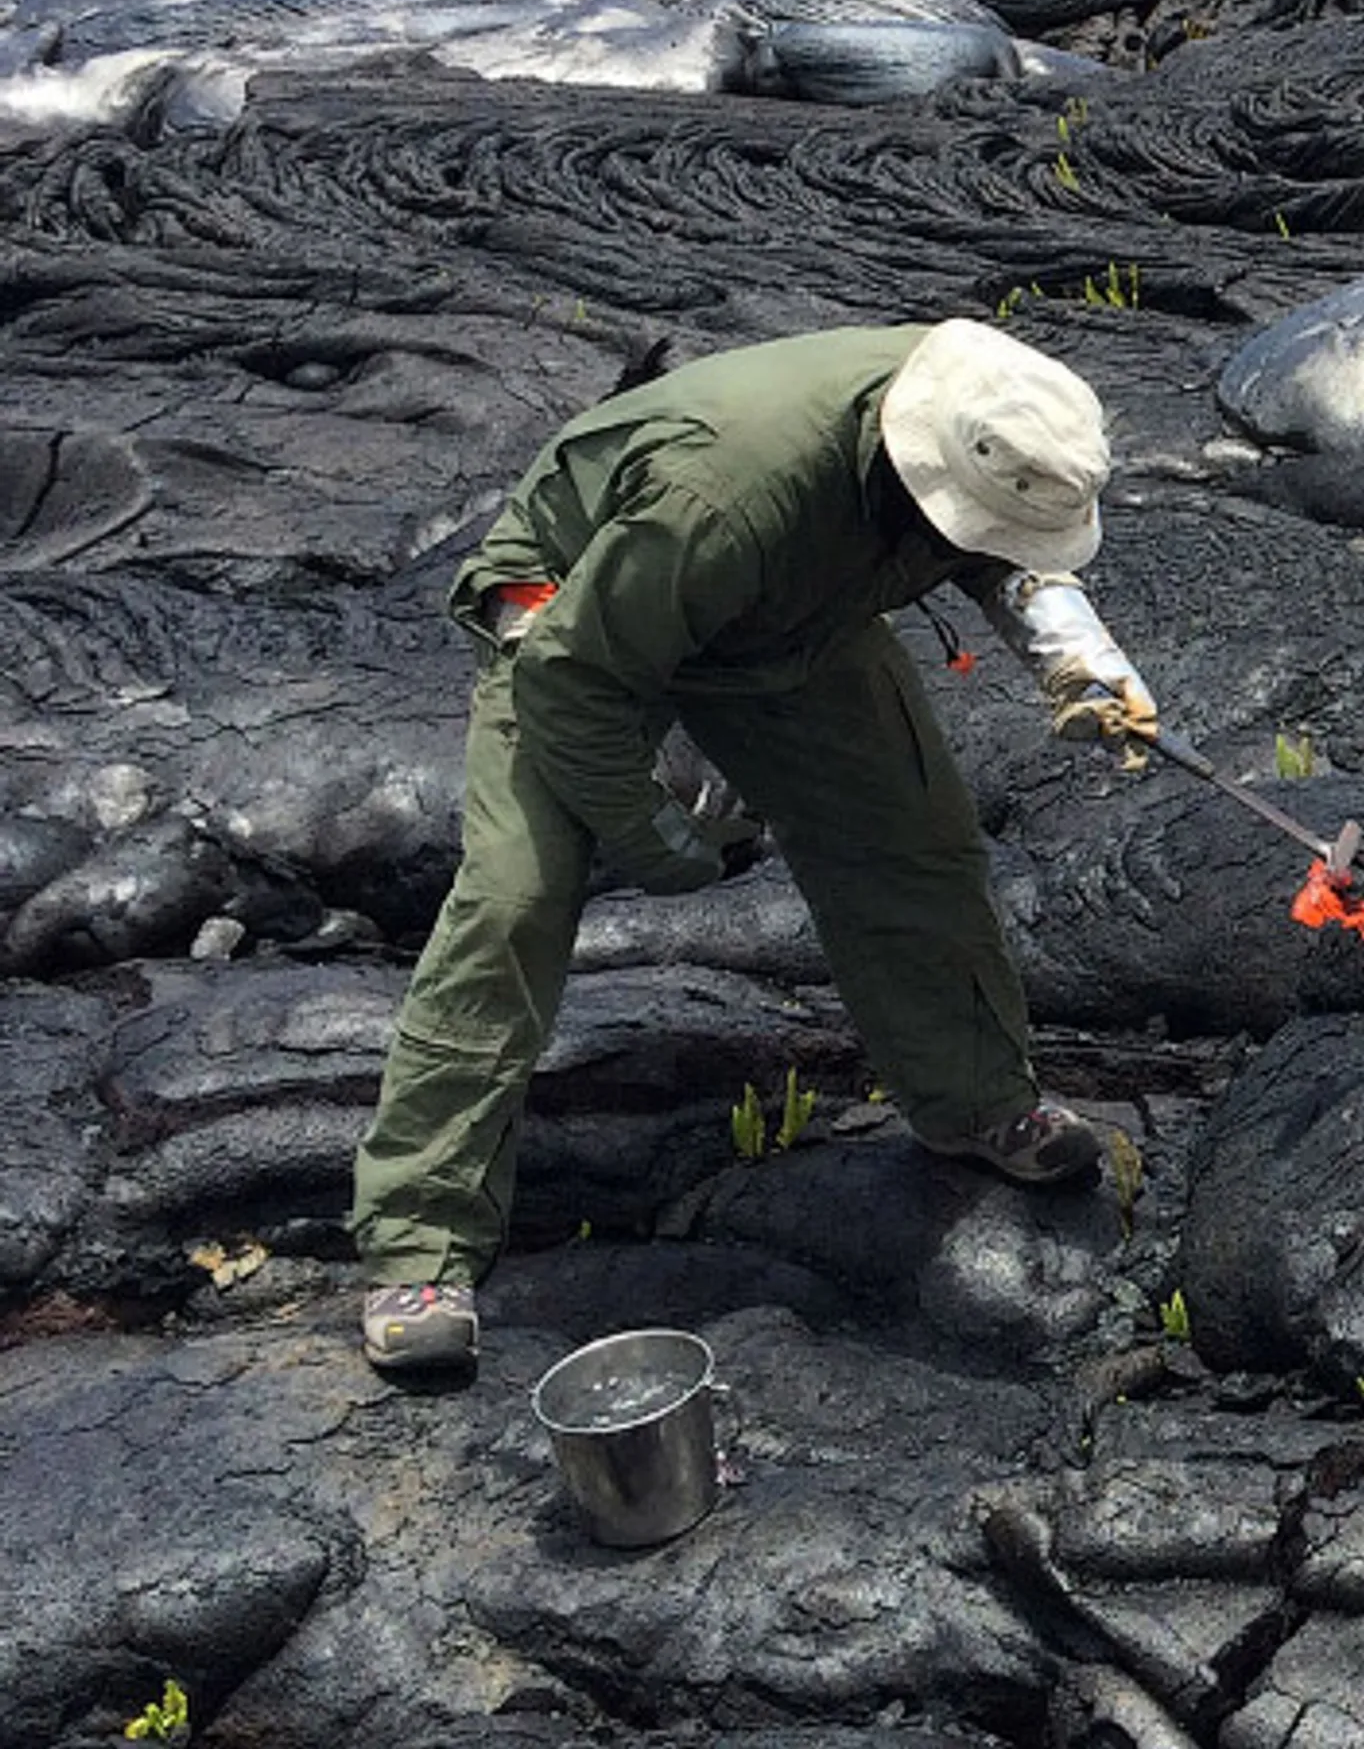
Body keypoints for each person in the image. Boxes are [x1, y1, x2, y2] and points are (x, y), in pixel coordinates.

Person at [351, 319, 1161, 1374]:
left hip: (792, 619)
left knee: (915, 846)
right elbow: (573, 680)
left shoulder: (998, 405)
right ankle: (420, 1238)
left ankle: (976, 1105)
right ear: (920, 475)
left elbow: (999, 538)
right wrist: (663, 845)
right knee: (515, 903)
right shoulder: (723, 497)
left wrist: (1078, 660)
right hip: (571, 607)